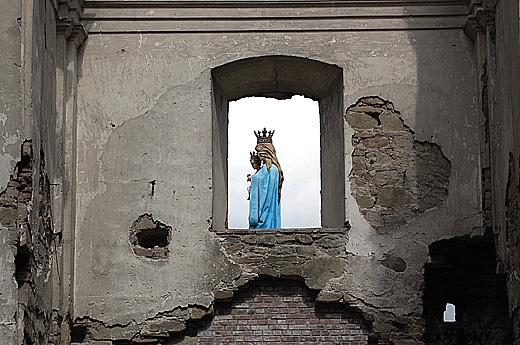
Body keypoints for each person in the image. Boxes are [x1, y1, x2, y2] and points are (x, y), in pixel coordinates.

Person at [248, 128, 284, 229]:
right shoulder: (272, 168)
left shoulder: (271, 168)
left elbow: (264, 186)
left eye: (259, 152)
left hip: (267, 211)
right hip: (269, 212)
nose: (258, 155)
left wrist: (253, 178)